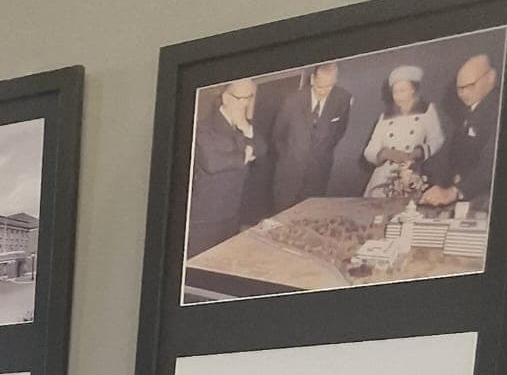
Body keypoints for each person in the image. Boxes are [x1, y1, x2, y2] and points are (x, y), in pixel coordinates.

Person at [188, 78, 263, 258]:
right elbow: (212, 163)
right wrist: (244, 156)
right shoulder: (203, 127)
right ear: (226, 98)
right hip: (206, 217)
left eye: (249, 97)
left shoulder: (244, 126)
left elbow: (262, 149)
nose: (245, 103)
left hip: (232, 213)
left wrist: (246, 128)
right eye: (240, 98)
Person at [268, 62, 353, 212]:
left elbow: (340, 131)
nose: (324, 92)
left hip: (318, 173)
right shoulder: (292, 100)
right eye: (320, 86)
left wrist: (322, 152)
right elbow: (277, 135)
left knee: (308, 216)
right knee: (282, 217)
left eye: (329, 87)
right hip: (289, 172)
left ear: (335, 81)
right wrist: (289, 156)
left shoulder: (343, 99)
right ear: (312, 79)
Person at [421, 51, 501, 209]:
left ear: (491, 76)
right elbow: (449, 153)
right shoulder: (470, 111)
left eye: (469, 86)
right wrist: (421, 174)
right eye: (459, 89)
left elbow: (494, 160)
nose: (463, 94)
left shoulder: (502, 108)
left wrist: (455, 192)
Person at [362, 66, 444, 199]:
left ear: (413, 90)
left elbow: (437, 139)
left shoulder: (426, 110)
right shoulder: (386, 116)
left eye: (402, 90)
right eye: (395, 92)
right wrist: (385, 154)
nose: (398, 96)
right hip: (382, 179)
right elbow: (369, 150)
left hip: (411, 175)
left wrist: (417, 153)